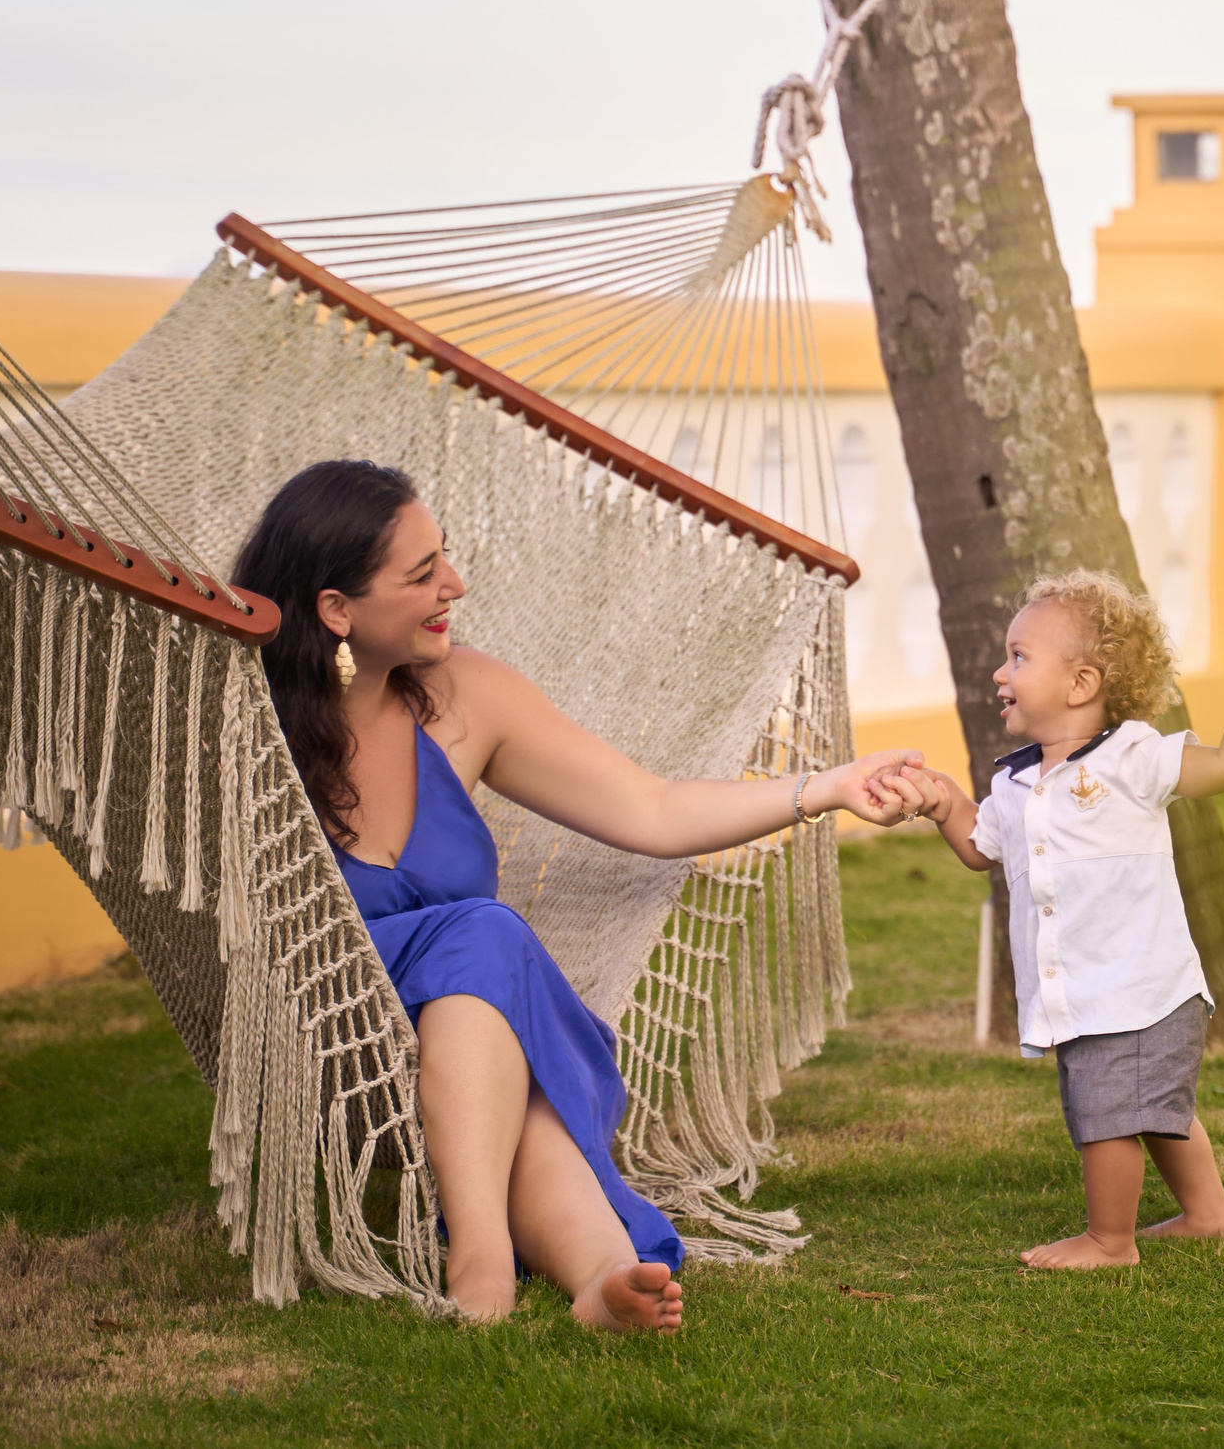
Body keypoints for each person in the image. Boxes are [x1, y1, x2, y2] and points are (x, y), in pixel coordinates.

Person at [233, 459, 925, 1330]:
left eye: (446, 556)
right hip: (333, 1021)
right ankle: (486, 1253)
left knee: (495, 1006)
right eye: (423, 573)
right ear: (337, 610)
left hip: (468, 1025)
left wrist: (824, 788)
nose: (455, 584)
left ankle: (597, 1276)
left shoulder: (464, 697)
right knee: (486, 942)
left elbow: (652, 808)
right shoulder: (249, 728)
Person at [905, 571, 1224, 1269]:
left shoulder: (1133, 758)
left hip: (1142, 987)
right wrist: (943, 802)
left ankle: (1109, 1241)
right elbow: (979, 846)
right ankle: (1210, 1215)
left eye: (1018, 656)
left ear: (1081, 683)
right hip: (1087, 993)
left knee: (1110, 1112)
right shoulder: (1015, 783)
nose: (1000, 672)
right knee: (1150, 1105)